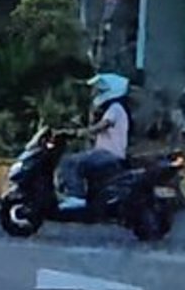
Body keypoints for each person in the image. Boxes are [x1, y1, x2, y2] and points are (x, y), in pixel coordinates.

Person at [54, 75, 133, 213]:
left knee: (70, 162)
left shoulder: (115, 108)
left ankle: (76, 196)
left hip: (108, 154)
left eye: (100, 89)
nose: (96, 92)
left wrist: (81, 132)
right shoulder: (113, 109)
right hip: (106, 154)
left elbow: (104, 125)